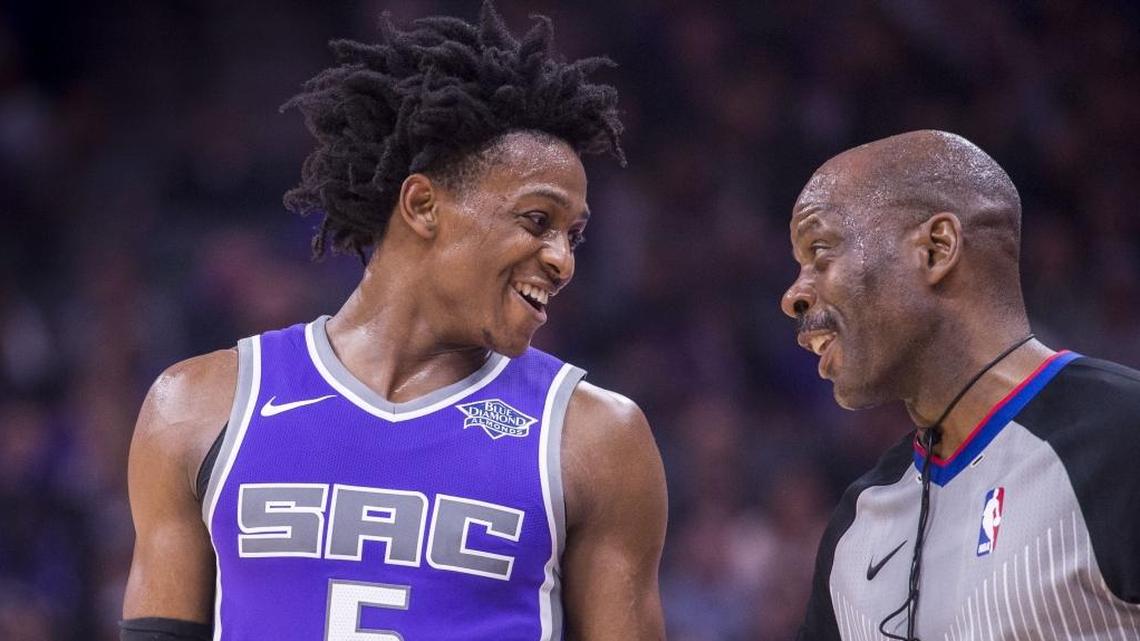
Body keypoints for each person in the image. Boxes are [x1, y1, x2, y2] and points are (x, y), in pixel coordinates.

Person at [120, 5, 667, 640]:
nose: (562, 260)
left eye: (575, 236)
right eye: (537, 221)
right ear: (422, 204)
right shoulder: (198, 405)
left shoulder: (596, 437)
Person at [782, 130, 1140, 641]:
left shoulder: (1125, 439)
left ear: (936, 248)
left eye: (820, 250)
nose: (793, 295)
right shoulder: (855, 527)